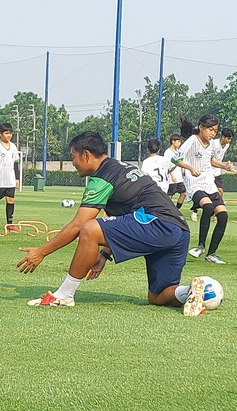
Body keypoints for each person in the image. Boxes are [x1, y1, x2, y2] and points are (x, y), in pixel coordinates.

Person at [18, 131, 208, 316]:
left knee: (89, 229)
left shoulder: (102, 177)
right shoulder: (120, 167)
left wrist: (40, 252)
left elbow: (78, 226)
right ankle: (191, 291)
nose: (73, 162)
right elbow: (119, 216)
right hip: (179, 231)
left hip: (158, 224)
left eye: (73, 157)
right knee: (158, 297)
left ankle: (64, 295)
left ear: (86, 155)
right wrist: (104, 254)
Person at [172, 115, 234, 264]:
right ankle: (200, 246)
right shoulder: (192, 140)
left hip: (209, 182)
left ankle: (211, 254)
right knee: (207, 207)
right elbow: (175, 159)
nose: (213, 133)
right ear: (201, 127)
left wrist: (224, 166)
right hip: (194, 182)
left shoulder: (211, 144)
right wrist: (190, 168)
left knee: (223, 216)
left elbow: (210, 160)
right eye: (210, 129)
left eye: (215, 131)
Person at [163, 134, 188, 211]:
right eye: (178, 142)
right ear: (173, 141)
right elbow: (166, 166)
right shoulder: (168, 152)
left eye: (180, 142)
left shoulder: (178, 152)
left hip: (179, 178)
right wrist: (172, 175)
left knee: (184, 193)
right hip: (171, 179)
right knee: (170, 196)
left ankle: (177, 209)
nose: (179, 143)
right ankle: (165, 210)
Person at [213, 128, 235, 197]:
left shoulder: (227, 145)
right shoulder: (213, 144)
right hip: (208, 171)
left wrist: (227, 164)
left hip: (217, 172)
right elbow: (210, 160)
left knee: (220, 191)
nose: (229, 140)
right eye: (228, 138)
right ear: (223, 137)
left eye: (231, 139)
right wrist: (224, 166)